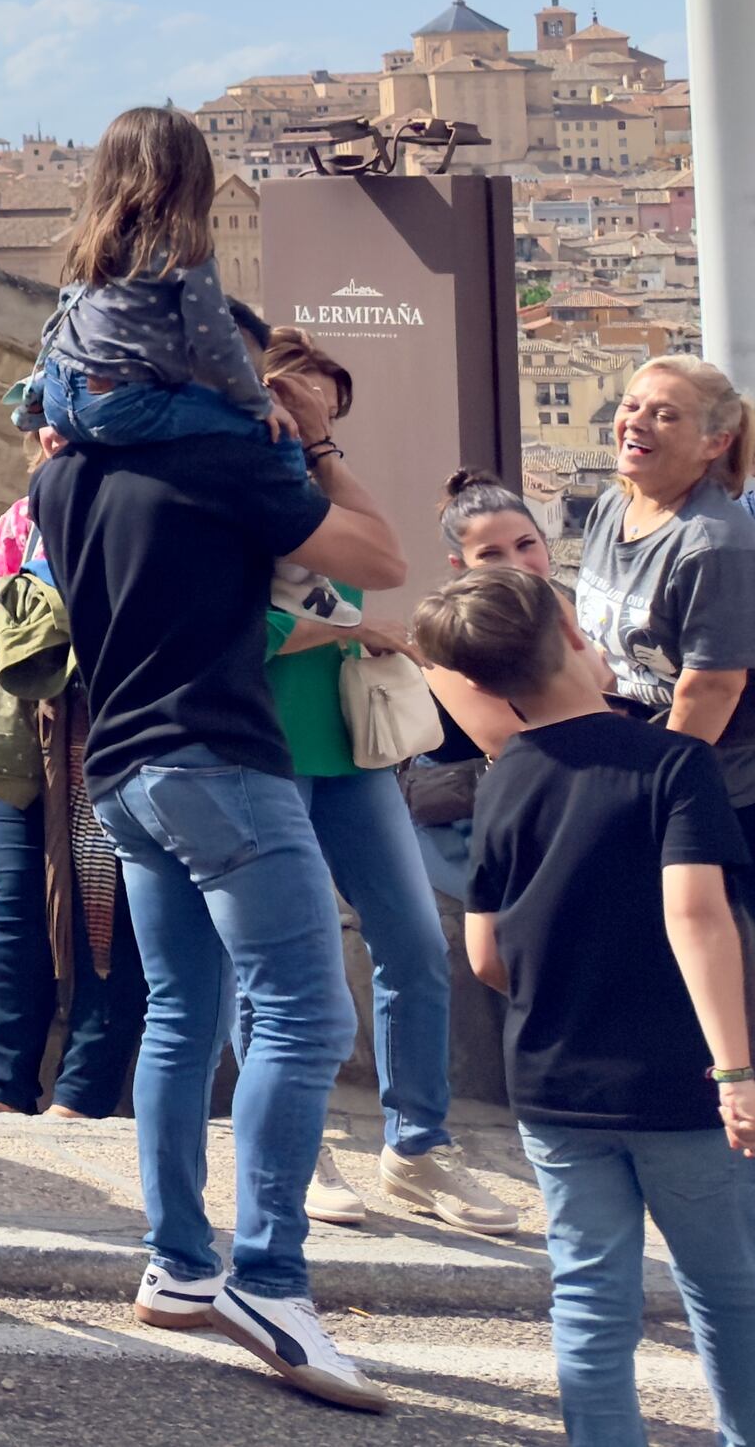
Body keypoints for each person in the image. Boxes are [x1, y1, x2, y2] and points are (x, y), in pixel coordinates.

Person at [34, 107, 409, 1413]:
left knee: (183, 1011)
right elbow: (381, 559)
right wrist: (302, 435)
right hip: (220, 757)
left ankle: (178, 1266)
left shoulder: (67, 462)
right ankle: (270, 1273)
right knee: (311, 1013)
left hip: (119, 766)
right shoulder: (225, 449)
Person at [413, 560, 755, 1447]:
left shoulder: (504, 777)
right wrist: (736, 1070)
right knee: (726, 1292)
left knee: (588, 1290)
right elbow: (696, 914)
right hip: (677, 1082)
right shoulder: (675, 764)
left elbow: (487, 953)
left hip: (552, 1083)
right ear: (576, 637)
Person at [231, 346, 528, 1240]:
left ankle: (417, 1146)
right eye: (308, 400)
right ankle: (296, 1147)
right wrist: (348, 629)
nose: (322, 419)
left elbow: (386, 563)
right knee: (278, 969)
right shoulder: (237, 483)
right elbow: (235, 629)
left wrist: (322, 450)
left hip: (354, 755)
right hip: (263, 751)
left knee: (411, 944)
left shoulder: (321, 489)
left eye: (336, 411)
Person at [576, 355, 755, 990]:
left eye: (666, 414)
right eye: (632, 405)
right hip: (650, 768)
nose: (637, 422)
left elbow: (711, 690)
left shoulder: (718, 545)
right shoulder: (614, 507)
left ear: (715, 442)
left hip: (735, 791)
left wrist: (649, 799)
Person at [0, 448, 141, 1122]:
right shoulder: (23, 517)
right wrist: (23, 622)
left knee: (107, 914)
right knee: (15, 907)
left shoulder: (136, 507)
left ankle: (80, 1099)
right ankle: (0, 1089)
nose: (53, 443)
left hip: (109, 728)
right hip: (19, 731)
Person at [31, 107, 272, 453]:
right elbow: (215, 340)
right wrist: (261, 405)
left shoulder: (94, 238)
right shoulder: (182, 245)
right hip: (120, 405)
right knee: (267, 436)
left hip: (58, 395)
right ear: (193, 176)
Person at [405, 482, 556, 908]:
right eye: (491, 555)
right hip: (463, 821)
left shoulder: (564, 611)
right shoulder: (445, 634)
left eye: (527, 544)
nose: (517, 564)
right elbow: (507, 740)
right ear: (460, 565)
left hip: (544, 799)